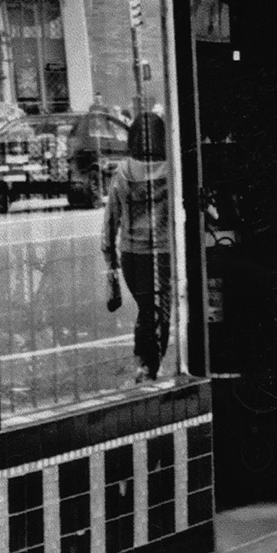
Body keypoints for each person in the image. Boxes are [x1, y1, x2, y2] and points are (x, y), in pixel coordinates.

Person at [102, 109, 177, 381]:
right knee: (158, 309)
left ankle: (145, 364)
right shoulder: (172, 171)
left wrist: (110, 261)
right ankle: (148, 364)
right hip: (162, 254)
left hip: (132, 256)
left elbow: (110, 220)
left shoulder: (122, 172)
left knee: (147, 308)